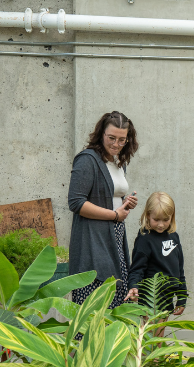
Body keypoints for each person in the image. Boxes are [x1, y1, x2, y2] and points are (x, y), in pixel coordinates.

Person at [67, 111, 140, 309]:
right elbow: (76, 202)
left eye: (122, 140)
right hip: (92, 239)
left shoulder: (118, 163)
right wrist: (115, 215)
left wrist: (124, 204)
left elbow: (107, 196)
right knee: (94, 299)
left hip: (114, 235)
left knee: (115, 298)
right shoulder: (87, 160)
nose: (116, 144)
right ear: (101, 134)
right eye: (111, 138)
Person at [125, 192, 186, 335]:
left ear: (172, 216)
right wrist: (133, 286)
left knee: (158, 336)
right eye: (156, 219)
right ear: (147, 215)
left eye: (166, 219)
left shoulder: (173, 236)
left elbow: (179, 269)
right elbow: (137, 268)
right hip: (151, 297)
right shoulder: (145, 239)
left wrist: (182, 297)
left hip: (167, 297)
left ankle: (155, 358)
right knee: (151, 336)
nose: (161, 224)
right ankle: (151, 358)